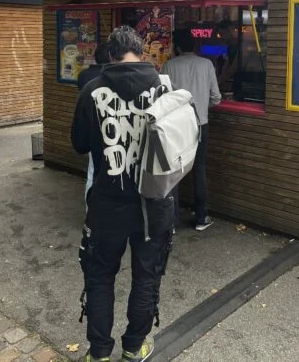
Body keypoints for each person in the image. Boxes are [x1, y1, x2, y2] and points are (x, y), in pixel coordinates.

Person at [71, 26, 174, 362]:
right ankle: (134, 346)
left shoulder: (91, 91)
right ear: (142, 54)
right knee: (147, 275)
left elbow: (79, 144)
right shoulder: (165, 89)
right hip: (153, 203)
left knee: (100, 275)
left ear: (110, 56)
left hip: (107, 203)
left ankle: (100, 352)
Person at [161, 28, 221, 231]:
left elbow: (162, 98)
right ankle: (201, 218)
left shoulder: (168, 66)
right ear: (194, 45)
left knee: (174, 171)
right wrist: (202, 106)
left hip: (176, 126)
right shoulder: (207, 64)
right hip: (200, 124)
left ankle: (172, 222)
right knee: (199, 168)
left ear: (177, 47)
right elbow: (216, 98)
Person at [77, 43, 111, 205]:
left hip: (91, 129)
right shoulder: (109, 78)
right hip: (110, 129)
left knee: (92, 172)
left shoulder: (84, 75)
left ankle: (90, 210)